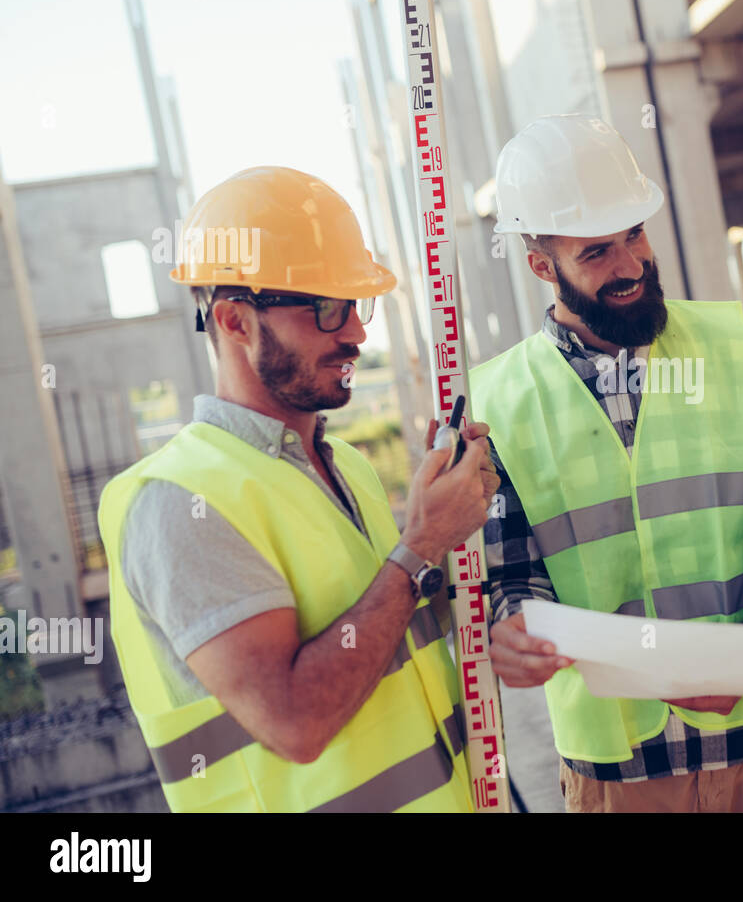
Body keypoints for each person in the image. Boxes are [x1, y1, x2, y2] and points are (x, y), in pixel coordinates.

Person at [99, 166, 499, 812]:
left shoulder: (346, 466)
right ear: (235, 321)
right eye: (327, 308)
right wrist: (421, 545)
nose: (357, 334)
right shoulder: (178, 501)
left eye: (356, 306)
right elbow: (295, 723)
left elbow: (390, 642)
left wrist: (461, 557)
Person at [472, 115, 743, 812]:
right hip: (618, 770)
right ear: (541, 264)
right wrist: (512, 627)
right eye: (598, 251)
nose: (632, 266)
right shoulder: (496, 402)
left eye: (636, 234)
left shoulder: (729, 348)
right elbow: (512, 576)